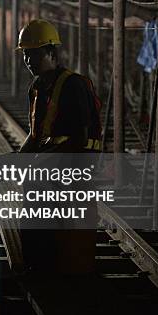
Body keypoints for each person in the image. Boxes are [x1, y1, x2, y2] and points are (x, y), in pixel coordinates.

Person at [16, 19, 102, 274]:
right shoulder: (36, 88)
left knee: (34, 186)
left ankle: (43, 262)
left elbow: (79, 138)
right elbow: (35, 136)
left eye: (33, 54)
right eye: (25, 55)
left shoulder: (73, 84)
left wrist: (38, 164)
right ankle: (34, 260)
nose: (28, 61)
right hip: (54, 158)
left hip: (79, 159)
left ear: (52, 53)